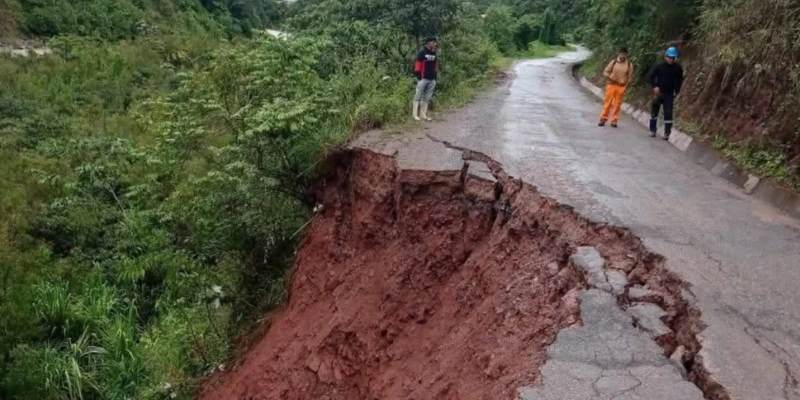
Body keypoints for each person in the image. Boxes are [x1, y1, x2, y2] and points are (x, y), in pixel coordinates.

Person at [648, 46, 684, 139]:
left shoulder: (677, 68)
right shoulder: (659, 66)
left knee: (668, 113)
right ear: (666, 56)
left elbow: (680, 80)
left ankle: (667, 133)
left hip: (669, 94)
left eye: (673, 58)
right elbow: (651, 76)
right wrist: (654, 86)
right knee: (654, 111)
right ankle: (652, 130)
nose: (671, 60)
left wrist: (677, 90)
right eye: (669, 57)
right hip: (659, 92)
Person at [598, 47, 634, 128]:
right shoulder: (613, 62)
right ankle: (603, 119)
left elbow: (630, 77)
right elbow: (605, 72)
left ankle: (614, 121)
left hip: (621, 87)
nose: (623, 56)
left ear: (627, 55)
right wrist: (610, 77)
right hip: (611, 85)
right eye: (621, 54)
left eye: (624, 54)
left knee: (617, 104)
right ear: (619, 54)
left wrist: (626, 84)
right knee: (608, 103)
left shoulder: (629, 65)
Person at [413, 37, 440, 121]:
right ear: (428, 43)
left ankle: (423, 115)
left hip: (431, 79)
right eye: (433, 42)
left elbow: (435, 65)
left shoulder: (434, 53)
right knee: (418, 95)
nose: (435, 44)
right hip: (423, 78)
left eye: (435, 42)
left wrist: (435, 77)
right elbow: (418, 64)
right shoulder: (422, 52)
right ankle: (414, 115)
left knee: (427, 97)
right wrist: (419, 76)